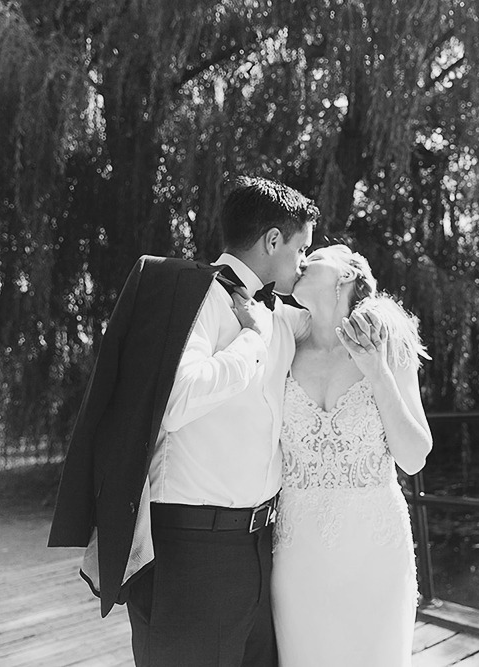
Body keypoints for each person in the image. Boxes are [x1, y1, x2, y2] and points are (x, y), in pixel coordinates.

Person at [48, 176, 317, 667]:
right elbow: (178, 399)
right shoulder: (195, 297)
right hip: (190, 552)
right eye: (302, 250)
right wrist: (251, 342)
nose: (303, 264)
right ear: (271, 241)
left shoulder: (279, 315)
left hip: (260, 547)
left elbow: (338, 318)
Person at [270, 245, 432, 666]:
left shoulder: (386, 341)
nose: (301, 259)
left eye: (316, 253)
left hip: (374, 553)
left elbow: (413, 457)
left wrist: (376, 370)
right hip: (297, 555)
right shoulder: (280, 340)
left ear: (346, 275)